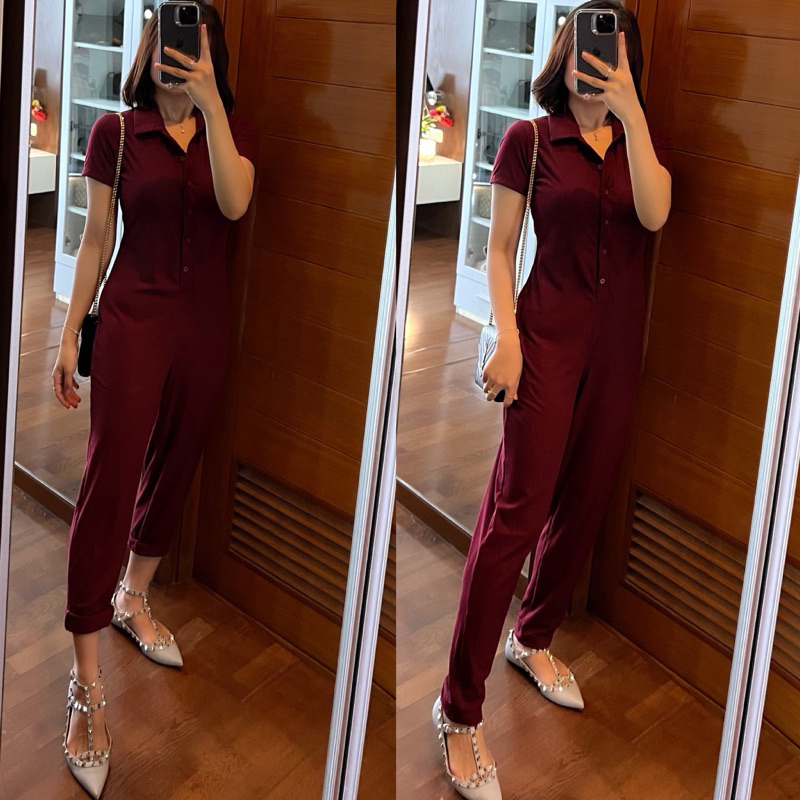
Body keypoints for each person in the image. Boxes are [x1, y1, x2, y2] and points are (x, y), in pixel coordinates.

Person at [431, 3, 673, 798]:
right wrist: (506, 336)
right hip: (545, 339)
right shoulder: (529, 142)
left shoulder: (640, 145)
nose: (592, 63)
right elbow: (501, 250)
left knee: (587, 497)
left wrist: (632, 113)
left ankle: (531, 637)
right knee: (517, 514)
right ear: (564, 55)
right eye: (583, 48)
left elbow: (656, 213)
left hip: (618, 350)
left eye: (610, 53)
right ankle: (457, 709)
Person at [52, 4, 257, 796]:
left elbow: (235, 204)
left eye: (195, 44)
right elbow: (96, 237)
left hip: (205, 327)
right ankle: (86, 682)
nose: (180, 55)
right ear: (151, 47)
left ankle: (132, 594)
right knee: (108, 483)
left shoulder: (226, 132)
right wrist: (69, 333)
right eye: (172, 41)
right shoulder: (115, 133)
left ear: (213, 54)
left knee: (176, 465)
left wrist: (211, 108)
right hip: (132, 322)